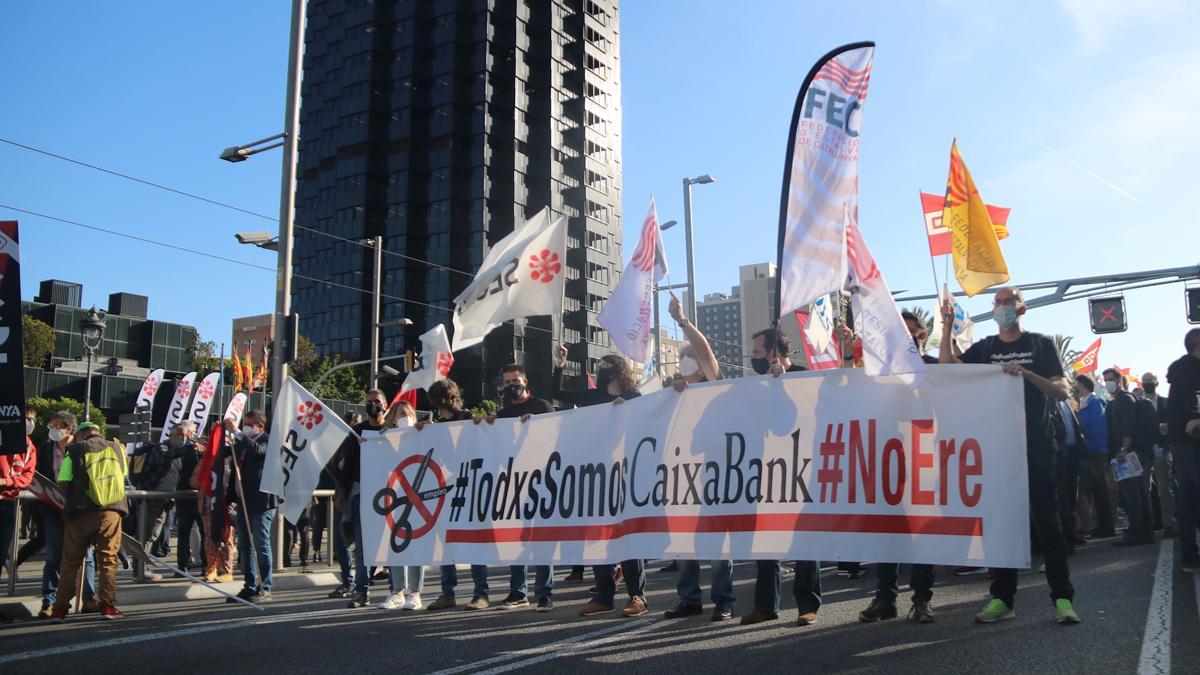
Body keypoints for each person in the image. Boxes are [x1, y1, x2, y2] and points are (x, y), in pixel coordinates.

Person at [940, 286, 1079, 625]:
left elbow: (1062, 391)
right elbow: (947, 367)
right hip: (997, 450)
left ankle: (1062, 598)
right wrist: (945, 328)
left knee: (1049, 524)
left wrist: (1029, 375)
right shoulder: (986, 348)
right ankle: (1002, 599)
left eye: (1008, 302)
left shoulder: (1040, 345)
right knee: (1001, 525)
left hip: (1038, 448)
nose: (1002, 307)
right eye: (997, 302)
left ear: (1022, 308)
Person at [552, 348, 648, 618]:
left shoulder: (633, 398)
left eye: (607, 363)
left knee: (626, 535)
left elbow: (644, 427)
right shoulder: (592, 397)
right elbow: (558, 394)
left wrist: (625, 412)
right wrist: (560, 364)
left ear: (619, 368)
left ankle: (637, 596)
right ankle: (604, 596)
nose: (601, 367)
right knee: (596, 536)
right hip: (594, 473)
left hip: (624, 473)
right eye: (600, 364)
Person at [659, 292, 736, 622]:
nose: (686, 361)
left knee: (718, 543)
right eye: (683, 358)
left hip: (713, 476)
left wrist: (682, 321)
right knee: (684, 540)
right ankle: (689, 599)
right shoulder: (670, 394)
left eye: (689, 357)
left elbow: (705, 354)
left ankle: (723, 600)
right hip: (680, 477)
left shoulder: (714, 386)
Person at [859, 311, 938, 624]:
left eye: (910, 332)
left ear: (920, 335)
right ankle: (885, 598)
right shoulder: (879, 371)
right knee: (887, 531)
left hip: (924, 458)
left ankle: (921, 599)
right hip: (887, 458)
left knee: (921, 533)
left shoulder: (933, 368)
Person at [741, 327, 822, 627]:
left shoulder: (804, 376)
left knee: (803, 540)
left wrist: (783, 384)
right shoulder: (759, 385)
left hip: (800, 468)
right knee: (765, 538)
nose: (755, 359)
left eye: (759, 353)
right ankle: (765, 605)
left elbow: (803, 415)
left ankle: (807, 605)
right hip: (766, 468)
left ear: (776, 353)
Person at [418, 378, 495, 611]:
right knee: (446, 542)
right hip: (447, 489)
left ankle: (481, 593)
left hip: (470, 487)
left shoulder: (469, 419)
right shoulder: (439, 426)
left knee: (474, 539)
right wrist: (422, 433)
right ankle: (447, 593)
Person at [48, 422, 127, 622]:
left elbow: (63, 483)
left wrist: (72, 501)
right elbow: (123, 477)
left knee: (70, 562)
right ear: (99, 433)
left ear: (81, 435)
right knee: (108, 560)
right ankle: (107, 607)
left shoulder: (73, 450)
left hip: (79, 513)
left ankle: (59, 610)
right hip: (111, 511)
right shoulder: (118, 448)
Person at [33, 411, 98, 617]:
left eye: (55, 426)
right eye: (50, 427)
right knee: (53, 556)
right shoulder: (44, 449)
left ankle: (88, 598)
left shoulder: (82, 450)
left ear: (69, 429)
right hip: (53, 510)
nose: (51, 431)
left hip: (80, 510)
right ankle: (49, 601)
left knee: (86, 557)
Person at [334, 390, 389, 609]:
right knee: (362, 545)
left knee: (389, 543)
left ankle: (398, 590)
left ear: (385, 405)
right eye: (369, 402)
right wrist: (342, 492)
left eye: (377, 402)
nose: (373, 405)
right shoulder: (357, 432)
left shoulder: (394, 431)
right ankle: (361, 591)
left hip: (389, 493)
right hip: (361, 492)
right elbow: (347, 467)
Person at [127, 421, 198, 581]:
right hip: (151, 501)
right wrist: (188, 448)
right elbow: (167, 456)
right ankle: (140, 570)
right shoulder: (161, 449)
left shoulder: (178, 452)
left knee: (152, 534)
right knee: (146, 534)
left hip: (165, 501)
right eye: (180, 434)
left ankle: (141, 568)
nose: (184, 438)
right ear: (171, 435)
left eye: (187, 435)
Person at [376, 400, 427, 610]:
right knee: (394, 545)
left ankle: (414, 592)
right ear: (393, 419)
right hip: (393, 497)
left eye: (408, 414)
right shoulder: (385, 438)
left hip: (418, 497)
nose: (404, 418)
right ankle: (397, 591)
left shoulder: (423, 435)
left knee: (416, 544)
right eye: (400, 414)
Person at [223, 410, 278, 603]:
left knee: (261, 545)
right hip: (243, 502)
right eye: (244, 423)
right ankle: (250, 586)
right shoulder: (243, 442)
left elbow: (257, 451)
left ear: (260, 426)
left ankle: (265, 587)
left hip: (262, 503)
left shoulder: (268, 441)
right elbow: (229, 457)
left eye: (248, 424)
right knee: (245, 546)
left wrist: (238, 432)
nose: (245, 427)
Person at [1103, 367, 1154, 546]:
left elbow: (1127, 427)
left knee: (1131, 494)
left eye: (1110, 379)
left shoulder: (1123, 399)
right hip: (1131, 452)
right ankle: (1145, 532)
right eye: (1105, 379)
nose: (1107, 383)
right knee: (1137, 493)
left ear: (1119, 380)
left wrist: (1123, 449)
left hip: (1128, 453)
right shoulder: (1122, 399)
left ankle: (1136, 533)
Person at [1166, 328, 1200, 571]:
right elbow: (1193, 394)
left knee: (1187, 499)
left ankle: (1189, 556)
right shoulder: (1192, 368)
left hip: (1180, 443)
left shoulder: (1179, 368)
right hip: (1193, 439)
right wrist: (1195, 416)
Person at [1075, 374, 1114, 538]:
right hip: (1090, 452)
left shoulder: (1095, 402)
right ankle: (1101, 524)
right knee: (1096, 491)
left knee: (1100, 490)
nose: (1074, 388)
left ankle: (1106, 526)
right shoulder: (1085, 403)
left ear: (1083, 386)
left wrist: (1092, 447)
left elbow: (1097, 428)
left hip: (1096, 452)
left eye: (1076, 385)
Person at [1142, 372, 1175, 537]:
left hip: (1163, 450)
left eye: (1150, 381)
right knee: (1145, 490)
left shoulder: (1165, 402)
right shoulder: (1139, 404)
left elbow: (1174, 424)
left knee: (1165, 489)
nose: (1147, 384)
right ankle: (1148, 524)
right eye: (1145, 382)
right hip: (1146, 452)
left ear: (1156, 382)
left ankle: (1168, 523)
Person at [173, 422, 206, 575]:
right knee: (200, 531)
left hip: (184, 493)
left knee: (184, 532)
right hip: (194, 495)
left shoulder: (179, 448)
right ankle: (205, 565)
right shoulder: (195, 449)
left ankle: (183, 566)